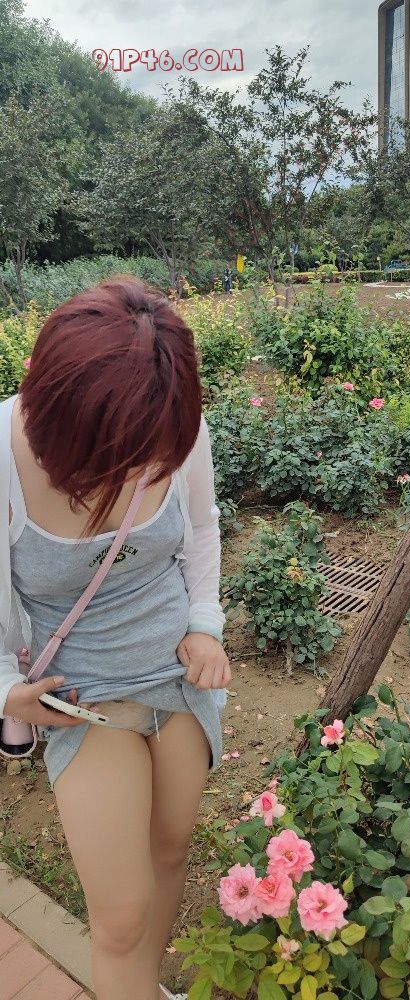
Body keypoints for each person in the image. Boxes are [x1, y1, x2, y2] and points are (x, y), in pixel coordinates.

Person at [0, 276, 231, 1000]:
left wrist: (204, 625)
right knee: (122, 918)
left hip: (178, 678)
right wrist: (5, 689)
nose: (136, 474)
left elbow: (200, 529)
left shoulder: (170, 416)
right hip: (82, 696)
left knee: (169, 850)